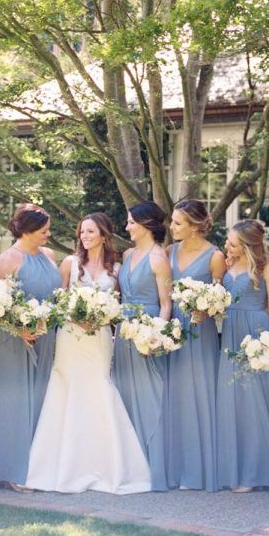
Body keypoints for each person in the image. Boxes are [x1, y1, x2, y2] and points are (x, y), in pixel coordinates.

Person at [26, 213, 151, 494]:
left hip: (100, 339)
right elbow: (57, 301)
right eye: (82, 232)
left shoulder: (117, 269)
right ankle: (58, 469)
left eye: (91, 232)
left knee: (99, 389)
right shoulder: (70, 264)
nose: (85, 236)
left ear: (104, 235)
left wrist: (102, 317)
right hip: (70, 338)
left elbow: (119, 306)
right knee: (65, 392)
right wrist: (75, 317)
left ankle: (109, 467)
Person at [216, 220, 269, 493]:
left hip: (255, 334)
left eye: (232, 243)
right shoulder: (228, 266)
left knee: (254, 403)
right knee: (234, 402)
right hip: (230, 334)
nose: (226, 246)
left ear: (248, 245)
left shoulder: (268, 269)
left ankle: (254, 474)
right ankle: (236, 469)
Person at [0, 204, 61, 491]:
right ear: (25, 231)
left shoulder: (49, 256)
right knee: (14, 403)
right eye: (43, 231)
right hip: (12, 339)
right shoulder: (7, 260)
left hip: (46, 336)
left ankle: (35, 466)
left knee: (39, 400)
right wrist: (20, 329)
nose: (48, 235)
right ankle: (11, 470)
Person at [165, 200, 225, 492]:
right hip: (175, 328)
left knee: (200, 394)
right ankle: (176, 469)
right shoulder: (169, 252)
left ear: (195, 226)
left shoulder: (215, 256)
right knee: (176, 395)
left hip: (201, 333)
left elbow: (221, 299)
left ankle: (202, 470)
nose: (171, 227)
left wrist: (208, 311)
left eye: (177, 223)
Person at [112, 201, 172, 491]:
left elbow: (166, 304)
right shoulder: (127, 254)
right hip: (123, 331)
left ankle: (153, 467)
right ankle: (130, 466)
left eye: (131, 223)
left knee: (149, 396)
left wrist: (154, 336)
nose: (127, 227)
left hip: (145, 332)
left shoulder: (159, 258)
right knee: (124, 394)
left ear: (147, 224)